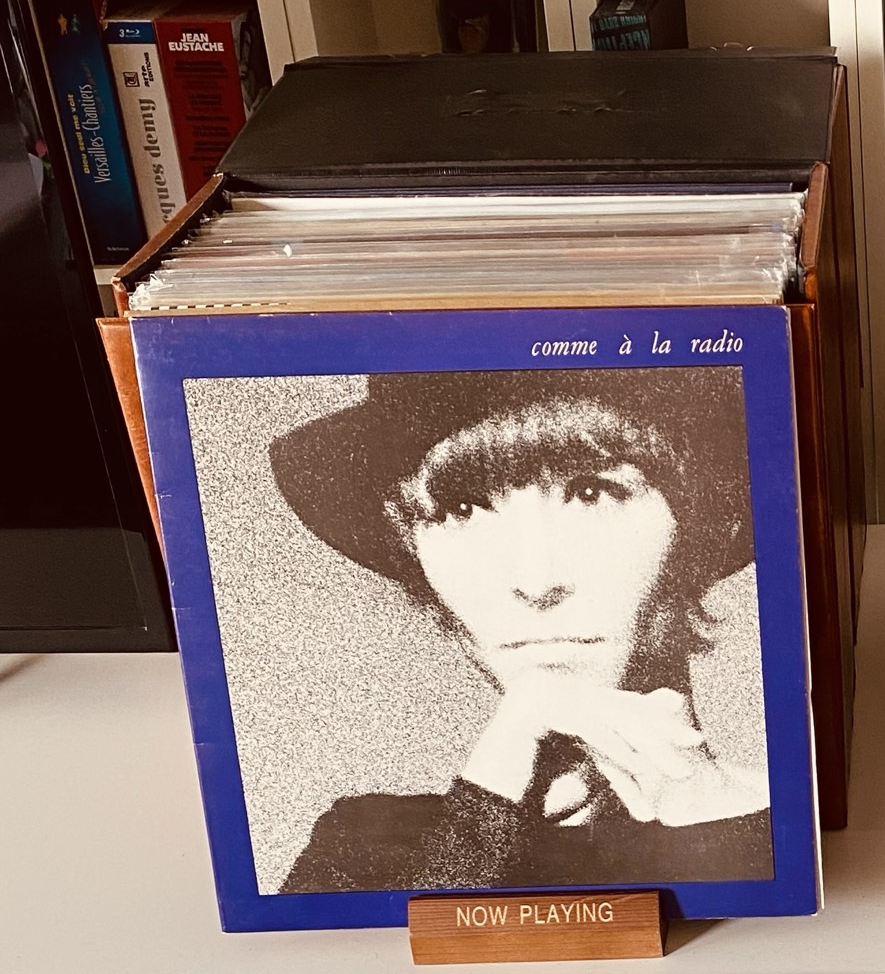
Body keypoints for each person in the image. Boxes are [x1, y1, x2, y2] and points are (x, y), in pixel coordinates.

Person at [268, 368, 772, 895]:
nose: (536, 582)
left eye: (592, 493)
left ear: (698, 528)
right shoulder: (363, 849)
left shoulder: (799, 833)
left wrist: (707, 816)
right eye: (463, 508)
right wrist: (489, 792)